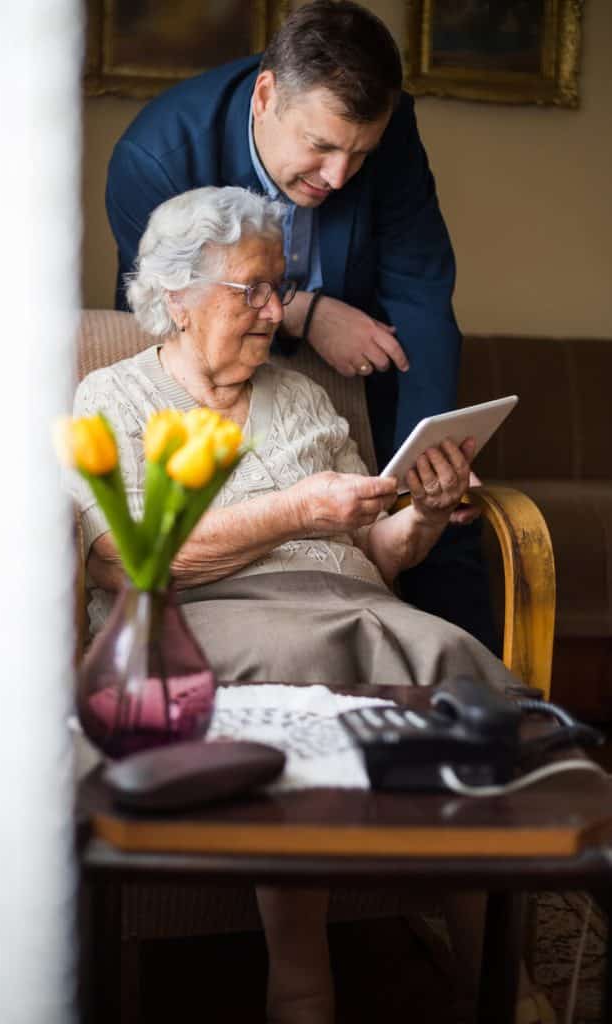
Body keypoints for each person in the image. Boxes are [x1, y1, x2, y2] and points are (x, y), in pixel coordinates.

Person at [73, 187, 552, 1024]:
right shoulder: (113, 400)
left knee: (449, 665)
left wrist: (426, 511)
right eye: (250, 289)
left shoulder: (299, 395)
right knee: (297, 674)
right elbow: (123, 559)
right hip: (210, 611)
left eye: (277, 286)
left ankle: (495, 979)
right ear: (178, 299)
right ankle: (302, 986)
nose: (273, 309)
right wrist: (295, 511)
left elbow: (375, 554)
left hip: (351, 601)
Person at [104, 0, 498, 652]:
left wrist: (424, 462)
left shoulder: (388, 130)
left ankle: (491, 724)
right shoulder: (157, 157)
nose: (338, 176)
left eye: (359, 153)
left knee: (448, 530)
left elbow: (421, 295)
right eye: (319, 147)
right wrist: (303, 312)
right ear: (265, 97)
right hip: (215, 378)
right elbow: (168, 307)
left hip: (353, 368)